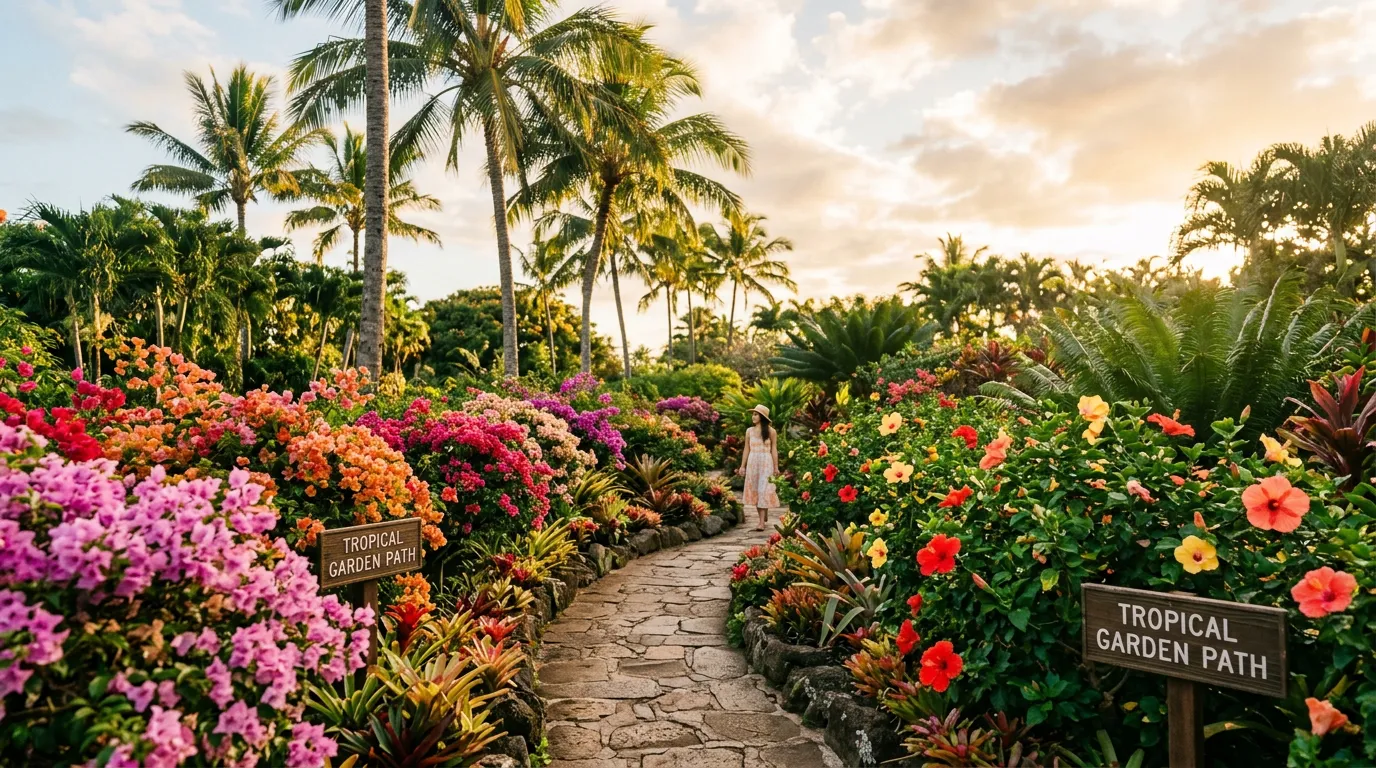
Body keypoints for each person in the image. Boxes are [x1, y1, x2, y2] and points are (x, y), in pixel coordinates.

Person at [736, 404, 780, 531]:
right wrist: (742, 466)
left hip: (766, 462)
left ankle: (761, 523)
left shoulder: (771, 431)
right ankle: (763, 512)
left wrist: (776, 467)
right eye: (753, 414)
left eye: (756, 414)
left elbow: (774, 449)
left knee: (763, 489)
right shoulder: (749, 431)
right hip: (753, 462)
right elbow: (746, 449)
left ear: (762, 417)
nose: (753, 416)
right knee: (756, 490)